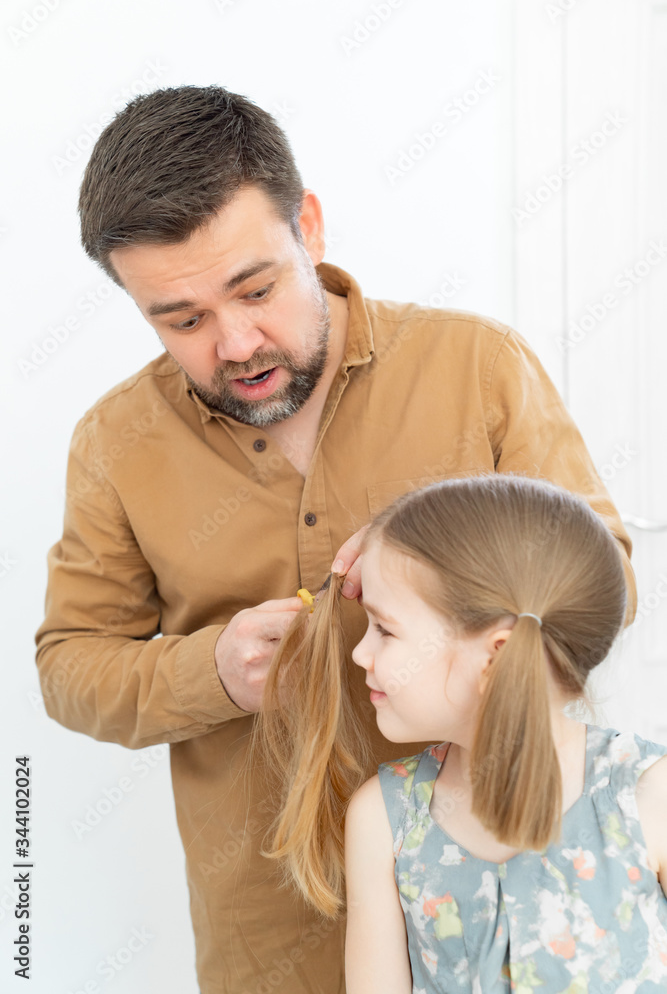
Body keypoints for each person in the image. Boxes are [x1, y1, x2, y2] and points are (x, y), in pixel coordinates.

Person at [34, 84, 639, 994]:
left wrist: (437, 553)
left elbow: (603, 585)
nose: (235, 342)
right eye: (181, 320)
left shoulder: (475, 367)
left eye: (256, 288)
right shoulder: (114, 445)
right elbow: (70, 668)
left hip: (517, 901)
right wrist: (213, 672)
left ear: (308, 228)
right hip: (267, 928)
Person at [249, 473, 667, 993]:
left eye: (384, 629)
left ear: (494, 653)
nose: (359, 653)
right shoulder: (385, 817)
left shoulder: (650, 797)